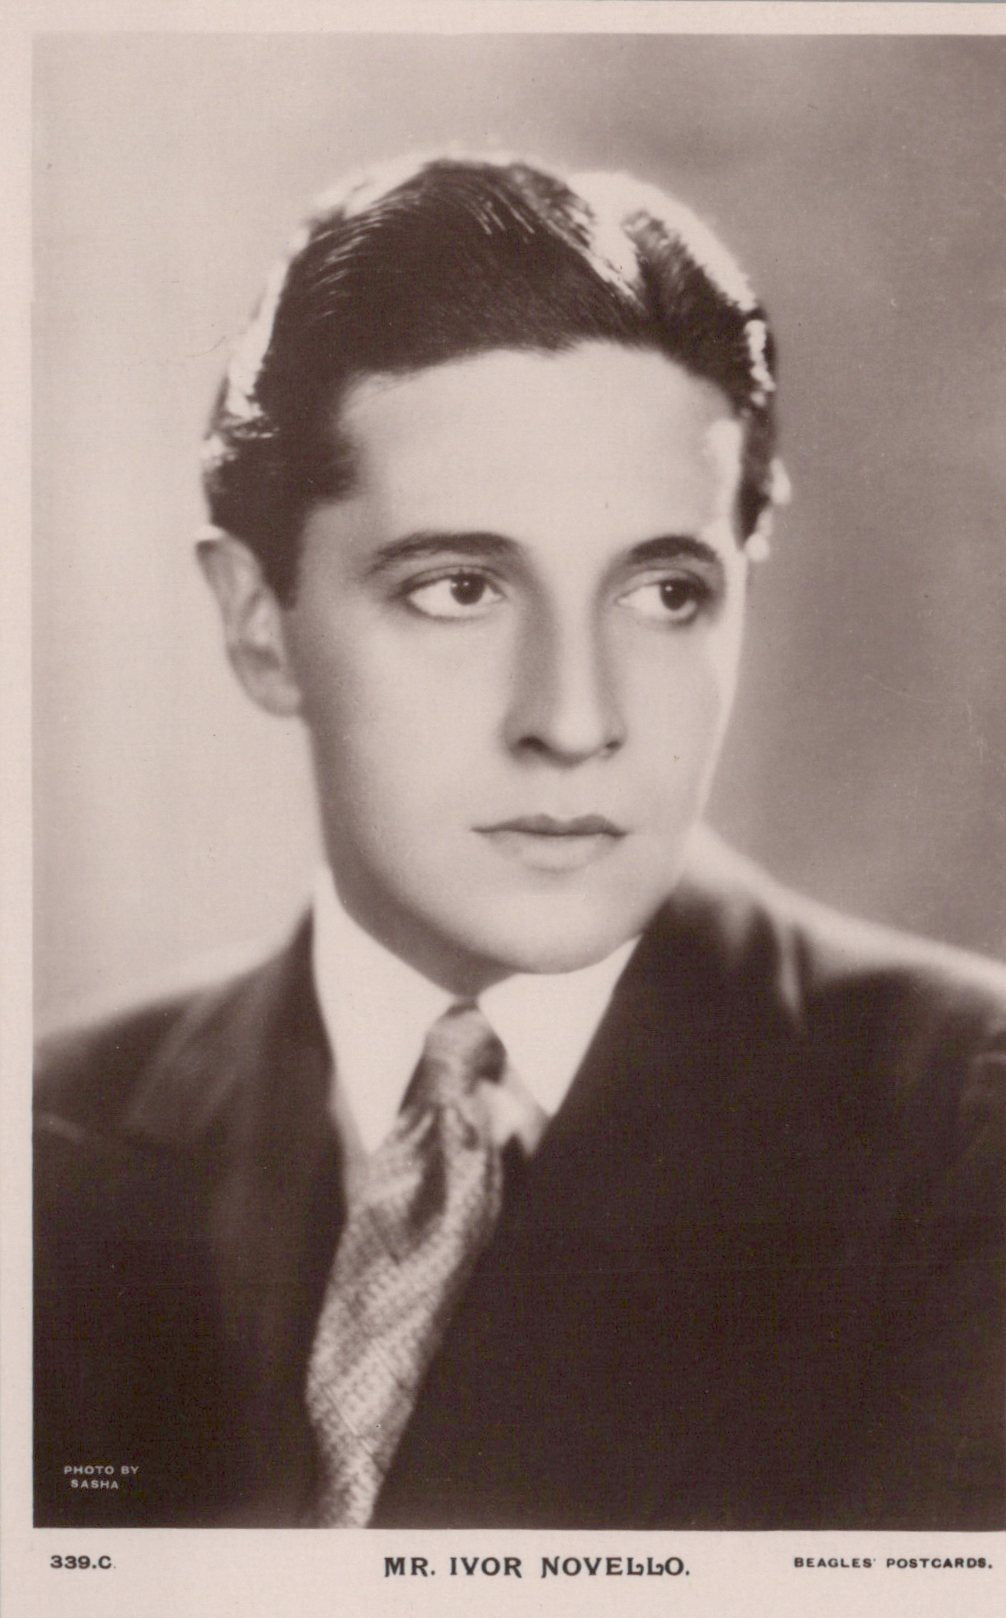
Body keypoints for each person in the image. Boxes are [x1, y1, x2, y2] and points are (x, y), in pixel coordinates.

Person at [34, 154, 1005, 1531]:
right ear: (260, 622)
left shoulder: (966, 1134)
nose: (573, 717)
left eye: (665, 590)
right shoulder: (47, 1148)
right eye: (457, 587)